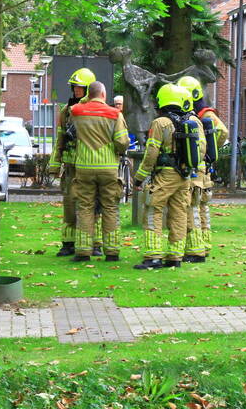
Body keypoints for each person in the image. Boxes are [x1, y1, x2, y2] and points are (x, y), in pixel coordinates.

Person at [132, 84, 196, 269]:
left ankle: (153, 256)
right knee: (179, 213)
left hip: (165, 175)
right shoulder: (187, 121)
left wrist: (139, 177)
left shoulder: (161, 123)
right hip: (184, 175)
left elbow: (151, 152)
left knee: (153, 210)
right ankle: (175, 257)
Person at [66, 81, 130, 261]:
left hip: (84, 167)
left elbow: (70, 130)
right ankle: (112, 252)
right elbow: (122, 142)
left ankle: (83, 252)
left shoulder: (76, 112)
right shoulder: (115, 114)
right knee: (110, 208)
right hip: (108, 168)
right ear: (103, 95)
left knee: (85, 208)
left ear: (89, 94)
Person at [177, 75, 228, 263]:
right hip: (204, 169)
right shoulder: (200, 114)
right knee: (202, 207)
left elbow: (223, 132)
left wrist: (206, 149)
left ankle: (196, 248)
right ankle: (204, 245)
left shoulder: (204, 115)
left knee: (194, 207)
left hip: (198, 169)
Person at [49, 67, 96, 257]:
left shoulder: (96, 111)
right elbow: (60, 139)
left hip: (89, 166)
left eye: (80, 87)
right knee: (69, 205)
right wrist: (54, 164)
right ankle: (68, 243)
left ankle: (94, 244)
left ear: (88, 89)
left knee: (92, 205)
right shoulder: (65, 111)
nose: (76, 90)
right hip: (70, 168)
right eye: (74, 87)